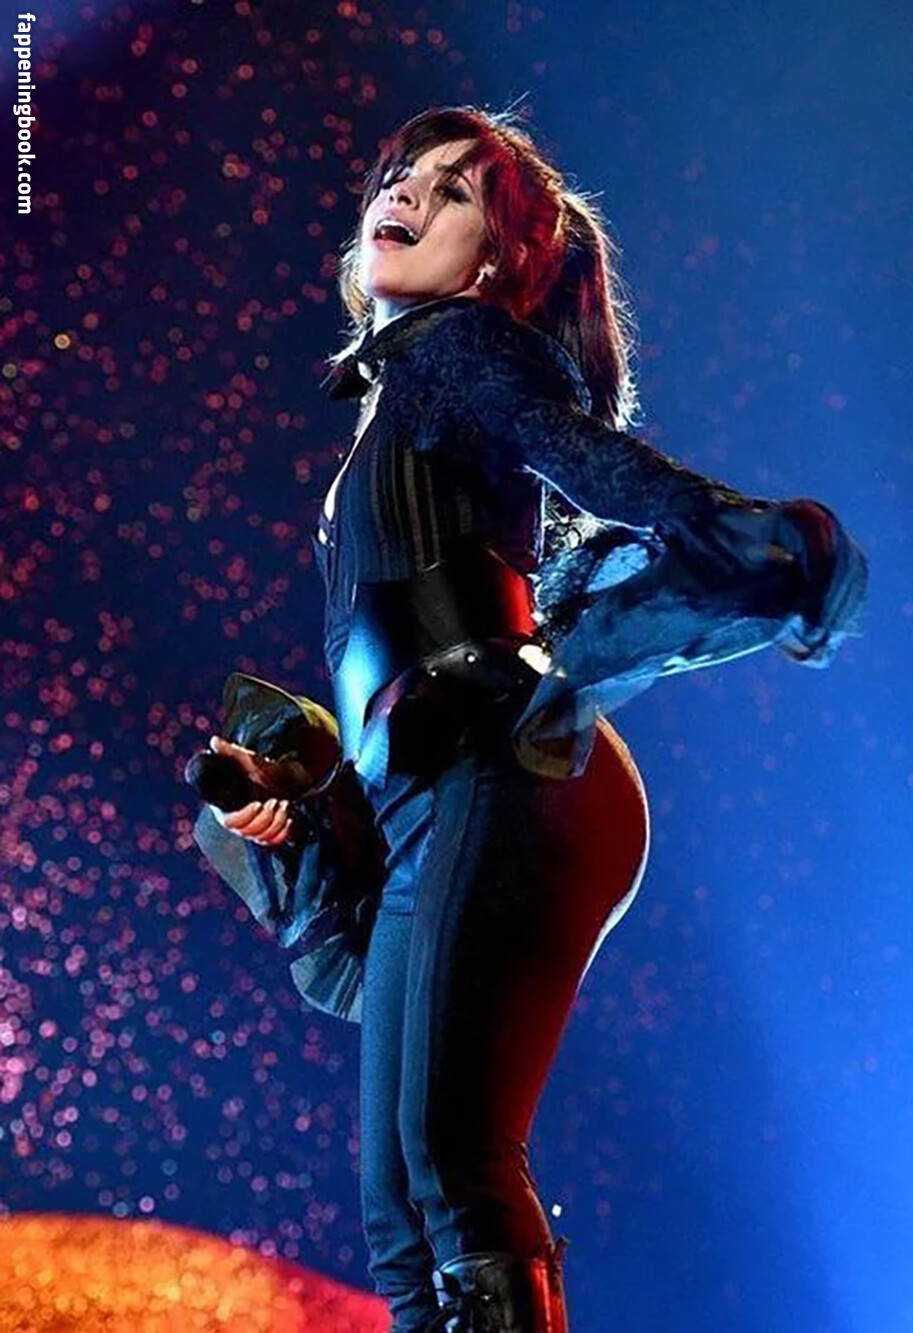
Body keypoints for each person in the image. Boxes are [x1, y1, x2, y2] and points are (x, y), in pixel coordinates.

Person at [192, 106, 868, 1332]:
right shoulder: (395, 397)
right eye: (402, 173)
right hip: (440, 785)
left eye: (451, 191)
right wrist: (308, 803)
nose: (405, 192)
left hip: (505, 763)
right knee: (402, 1209)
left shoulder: (457, 346)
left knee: (449, 1167)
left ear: (495, 262)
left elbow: (581, 455)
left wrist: (726, 528)